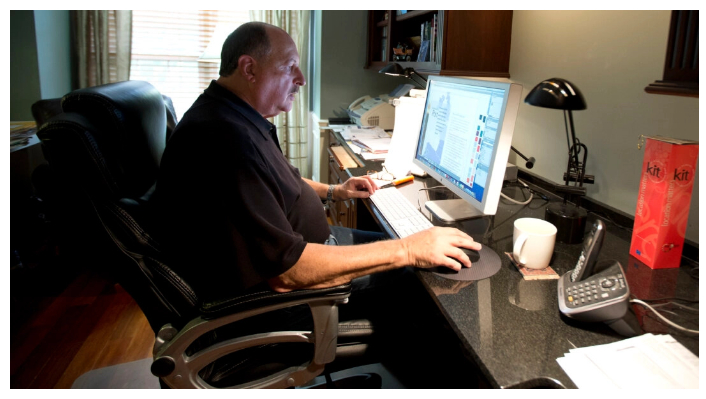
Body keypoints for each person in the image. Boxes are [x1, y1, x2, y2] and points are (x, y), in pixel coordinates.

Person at [154, 22, 481, 303]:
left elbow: (273, 183)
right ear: (249, 68)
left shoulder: (232, 115)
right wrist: (409, 250)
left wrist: (334, 191)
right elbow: (288, 274)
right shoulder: (225, 141)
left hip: (315, 248)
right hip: (299, 291)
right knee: (429, 281)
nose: (301, 78)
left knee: (419, 256)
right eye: (289, 66)